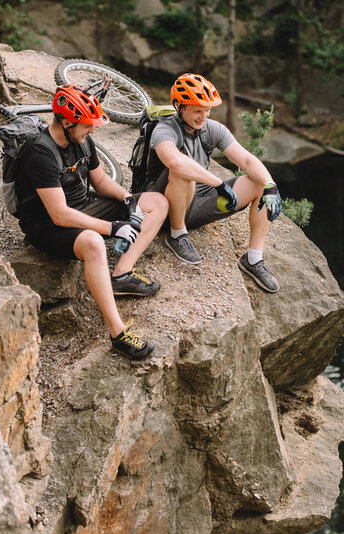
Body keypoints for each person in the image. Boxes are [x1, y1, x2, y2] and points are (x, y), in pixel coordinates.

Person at [17, 84, 168, 359]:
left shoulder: (81, 140)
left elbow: (100, 180)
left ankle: (122, 275)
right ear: (66, 122)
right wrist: (113, 227)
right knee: (94, 242)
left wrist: (128, 201)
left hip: (84, 208)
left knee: (157, 202)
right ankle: (118, 334)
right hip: (48, 227)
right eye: (87, 125)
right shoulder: (40, 154)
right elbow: (60, 214)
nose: (92, 130)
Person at [146, 72, 282, 293]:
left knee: (259, 184)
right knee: (183, 171)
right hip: (163, 208)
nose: (204, 116)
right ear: (179, 106)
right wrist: (218, 183)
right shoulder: (165, 130)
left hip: (199, 202)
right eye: (197, 110)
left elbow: (246, 159)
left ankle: (253, 259)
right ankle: (177, 235)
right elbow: (174, 161)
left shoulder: (212, 129)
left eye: (207, 110)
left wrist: (270, 184)